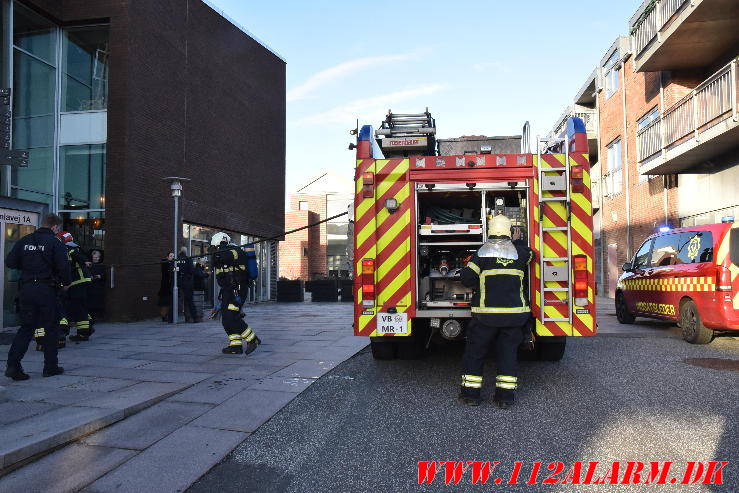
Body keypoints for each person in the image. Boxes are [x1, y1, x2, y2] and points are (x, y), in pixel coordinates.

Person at [458, 214, 534, 408]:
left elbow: (466, 278)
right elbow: (532, 255)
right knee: (508, 355)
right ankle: (505, 399)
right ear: (510, 232)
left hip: (486, 317)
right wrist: (518, 242)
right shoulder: (520, 253)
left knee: (476, 354)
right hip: (514, 317)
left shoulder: (482, 253)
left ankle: (470, 396)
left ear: (490, 231)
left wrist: (481, 284)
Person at [5, 213, 71, 380]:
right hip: (46, 289)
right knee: (50, 328)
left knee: (26, 328)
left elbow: (10, 262)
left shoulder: (25, 240)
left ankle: (13, 366)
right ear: (55, 227)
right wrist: (65, 283)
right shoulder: (55, 243)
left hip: (27, 288)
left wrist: (28, 267)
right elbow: (63, 267)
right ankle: (50, 367)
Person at [211, 232, 260, 355]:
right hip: (228, 291)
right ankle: (235, 345)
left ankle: (252, 339)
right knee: (226, 320)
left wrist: (220, 248)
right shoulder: (218, 258)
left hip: (237, 290)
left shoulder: (235, 251)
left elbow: (227, 256)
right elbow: (219, 274)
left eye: (215, 246)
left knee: (231, 318)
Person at [57, 232, 93, 342]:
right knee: (78, 305)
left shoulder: (69, 249)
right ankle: (86, 328)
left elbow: (80, 258)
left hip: (78, 281)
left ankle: (84, 331)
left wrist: (85, 261)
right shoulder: (72, 247)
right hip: (78, 282)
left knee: (78, 306)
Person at [177, 246, 199, 323]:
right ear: (186, 252)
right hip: (187, 282)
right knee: (189, 301)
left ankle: (172, 318)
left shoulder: (177, 259)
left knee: (176, 299)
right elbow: (192, 270)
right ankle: (193, 317)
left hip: (178, 282)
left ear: (180, 251)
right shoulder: (188, 259)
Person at [88, 249, 106, 322]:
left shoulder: (102, 267)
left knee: (96, 303)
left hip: (98, 288)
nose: (95, 259)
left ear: (99, 258)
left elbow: (104, 277)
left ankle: (95, 317)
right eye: (94, 257)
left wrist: (100, 276)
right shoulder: (89, 266)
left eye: (97, 257)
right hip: (90, 287)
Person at [158, 252, 174, 322]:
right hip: (165, 287)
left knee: (168, 303)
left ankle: (166, 316)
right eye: (171, 256)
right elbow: (167, 273)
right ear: (167, 257)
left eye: (173, 256)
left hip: (170, 287)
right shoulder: (165, 264)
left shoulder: (173, 264)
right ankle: (164, 316)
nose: (172, 257)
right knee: (165, 303)